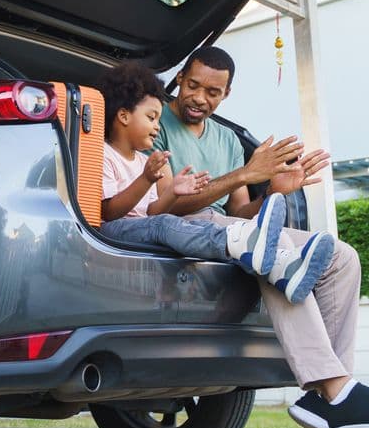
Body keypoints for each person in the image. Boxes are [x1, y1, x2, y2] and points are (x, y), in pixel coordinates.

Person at [151, 46, 369, 428]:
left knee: (340, 256)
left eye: (212, 92)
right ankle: (336, 393)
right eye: (192, 86)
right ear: (179, 80)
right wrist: (246, 172)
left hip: (229, 229)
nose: (199, 98)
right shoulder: (156, 122)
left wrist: (275, 193)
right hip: (183, 228)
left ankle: (332, 398)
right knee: (276, 247)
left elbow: (241, 211)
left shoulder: (226, 138)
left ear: (225, 94)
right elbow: (167, 205)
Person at [97, 63, 335, 303]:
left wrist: (173, 193)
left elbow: (152, 211)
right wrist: (146, 179)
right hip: (114, 230)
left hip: (146, 227)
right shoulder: (103, 154)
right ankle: (241, 243)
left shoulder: (142, 160)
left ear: (226, 93)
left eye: (158, 119)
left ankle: (281, 265)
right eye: (151, 118)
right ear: (124, 116)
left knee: (180, 226)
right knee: (166, 225)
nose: (157, 126)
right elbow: (109, 211)